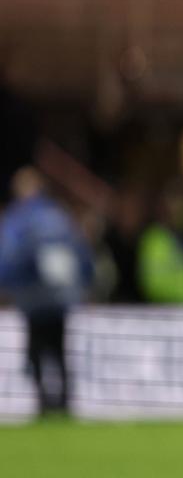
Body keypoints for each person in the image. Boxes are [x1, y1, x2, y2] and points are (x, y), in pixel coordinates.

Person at [0, 167, 94, 416]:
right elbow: (81, 251)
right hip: (62, 297)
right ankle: (63, 401)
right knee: (60, 349)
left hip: (32, 297)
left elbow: (8, 256)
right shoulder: (60, 216)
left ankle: (43, 401)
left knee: (36, 349)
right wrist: (85, 282)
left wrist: (7, 284)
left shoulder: (17, 218)